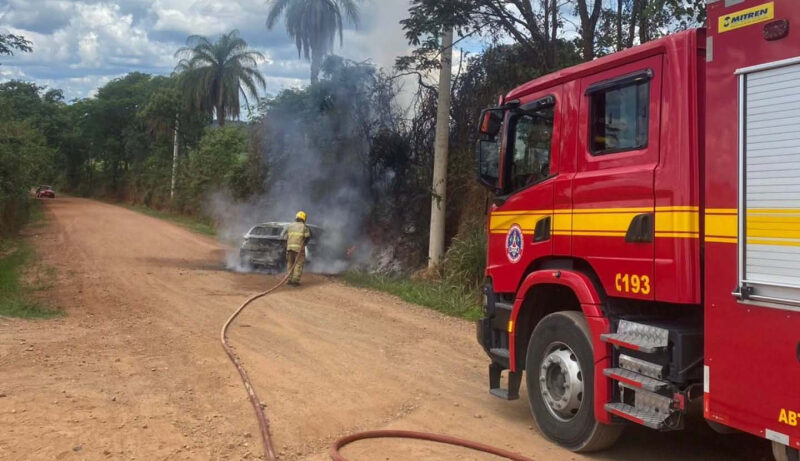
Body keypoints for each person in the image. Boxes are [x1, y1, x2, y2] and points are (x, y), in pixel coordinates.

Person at [285, 211, 311, 286]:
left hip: (289, 248)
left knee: (290, 263)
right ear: (304, 218)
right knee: (298, 264)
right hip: (299, 249)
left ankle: (289, 280)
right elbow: (307, 237)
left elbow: (285, 237)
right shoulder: (304, 227)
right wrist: (304, 243)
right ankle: (295, 281)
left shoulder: (290, 226)